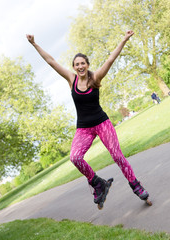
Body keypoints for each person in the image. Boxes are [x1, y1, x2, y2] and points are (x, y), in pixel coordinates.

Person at [26, 30, 149, 208]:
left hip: (102, 123)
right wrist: (34, 44)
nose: (80, 66)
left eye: (83, 63)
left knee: (117, 156)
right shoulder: (71, 79)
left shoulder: (96, 77)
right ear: (74, 67)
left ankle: (136, 186)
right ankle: (98, 183)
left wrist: (123, 39)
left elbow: (110, 60)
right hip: (84, 128)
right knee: (75, 157)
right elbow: (51, 61)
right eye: (77, 64)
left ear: (87, 64)